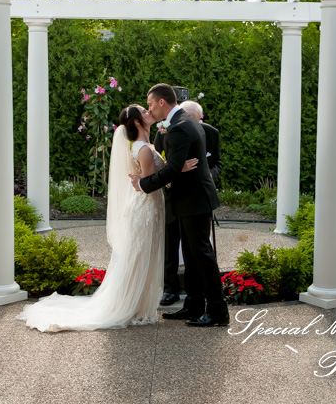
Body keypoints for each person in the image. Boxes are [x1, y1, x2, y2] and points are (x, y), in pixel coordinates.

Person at [17, 105, 197, 332]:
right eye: (143, 110)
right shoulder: (142, 149)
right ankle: (130, 307)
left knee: (143, 257)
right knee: (140, 258)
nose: (148, 111)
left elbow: (153, 179)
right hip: (146, 209)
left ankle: (138, 305)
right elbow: (153, 183)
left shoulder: (147, 145)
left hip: (149, 207)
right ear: (137, 122)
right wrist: (177, 169)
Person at [132, 84, 227, 327]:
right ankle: (194, 305)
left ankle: (218, 311)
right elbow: (177, 166)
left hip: (194, 200)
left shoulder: (179, 128)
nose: (150, 109)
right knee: (194, 258)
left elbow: (173, 169)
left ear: (162, 102)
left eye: (150, 104)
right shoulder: (184, 121)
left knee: (203, 256)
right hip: (190, 200)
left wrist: (143, 184)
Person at [158, 100, 222, 306]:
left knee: (199, 253)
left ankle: (215, 308)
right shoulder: (163, 131)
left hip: (195, 198)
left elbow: (215, 162)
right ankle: (186, 300)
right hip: (174, 196)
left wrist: (208, 174)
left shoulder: (207, 132)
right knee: (177, 247)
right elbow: (163, 162)